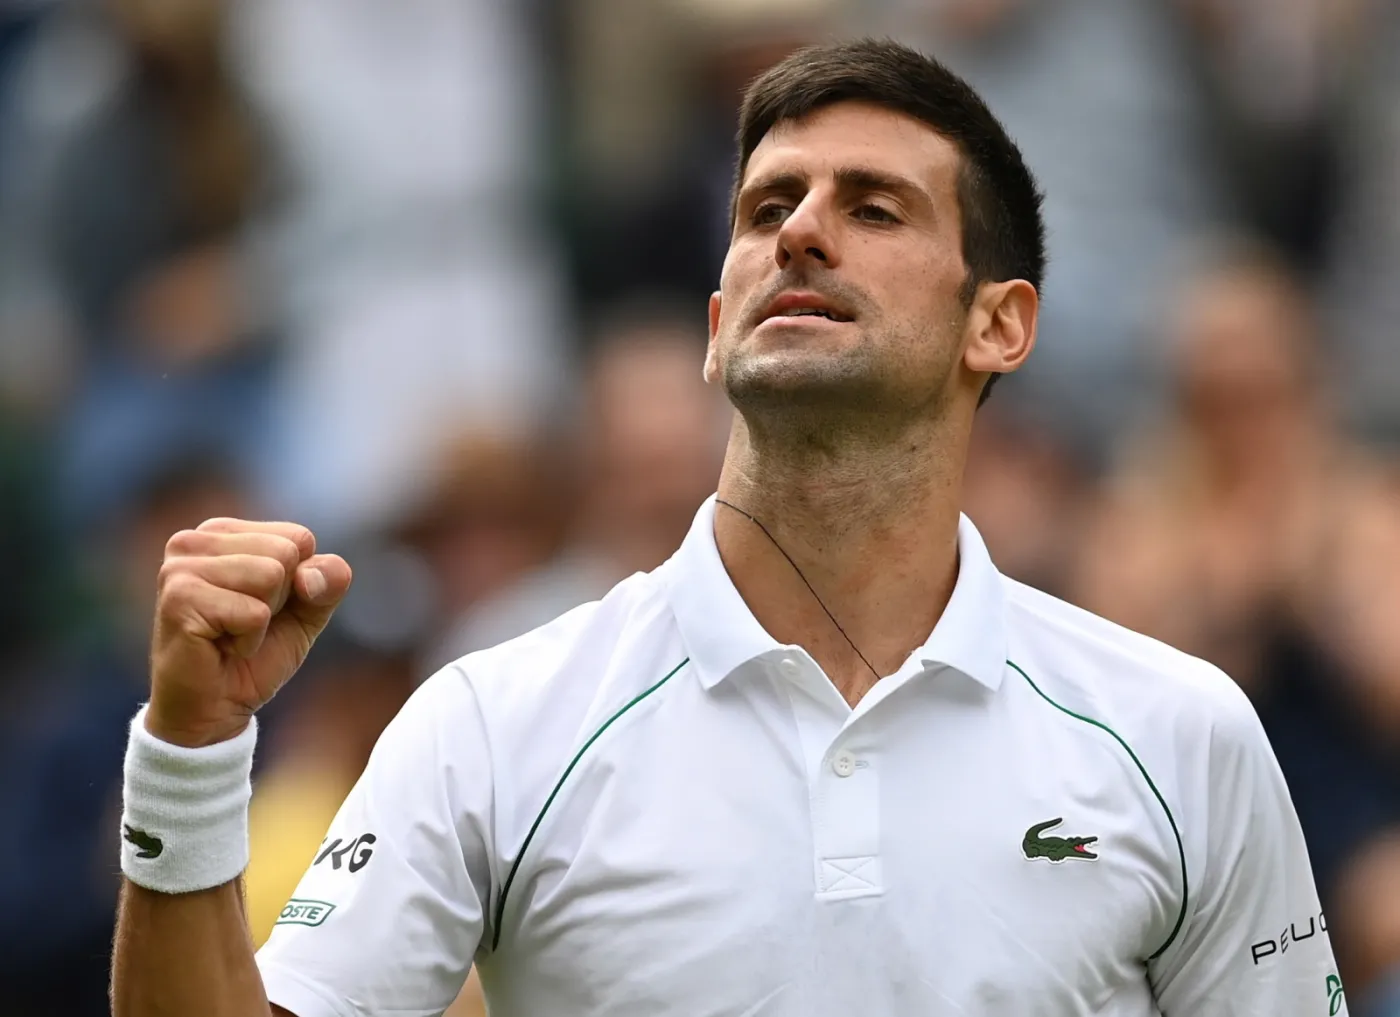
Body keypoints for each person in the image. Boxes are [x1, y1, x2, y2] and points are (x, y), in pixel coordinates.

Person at [110, 39, 1344, 1017]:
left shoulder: (1180, 733)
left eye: (874, 209)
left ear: (998, 326)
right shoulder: (491, 717)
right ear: (718, 325)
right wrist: (190, 752)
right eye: (766, 209)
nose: (799, 229)